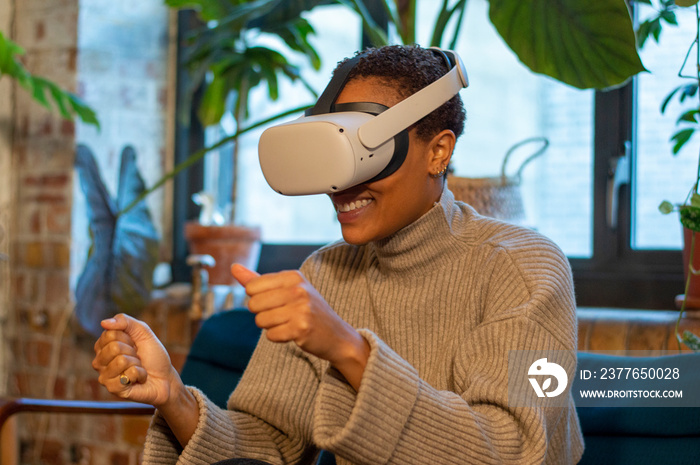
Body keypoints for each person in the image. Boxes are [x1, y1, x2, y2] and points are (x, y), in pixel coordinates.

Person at [93, 44, 584, 464]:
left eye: (366, 151)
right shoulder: (326, 273)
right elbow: (264, 448)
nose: (343, 183)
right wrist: (174, 397)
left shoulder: (523, 267)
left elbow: (515, 449)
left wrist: (348, 349)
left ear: (438, 151)